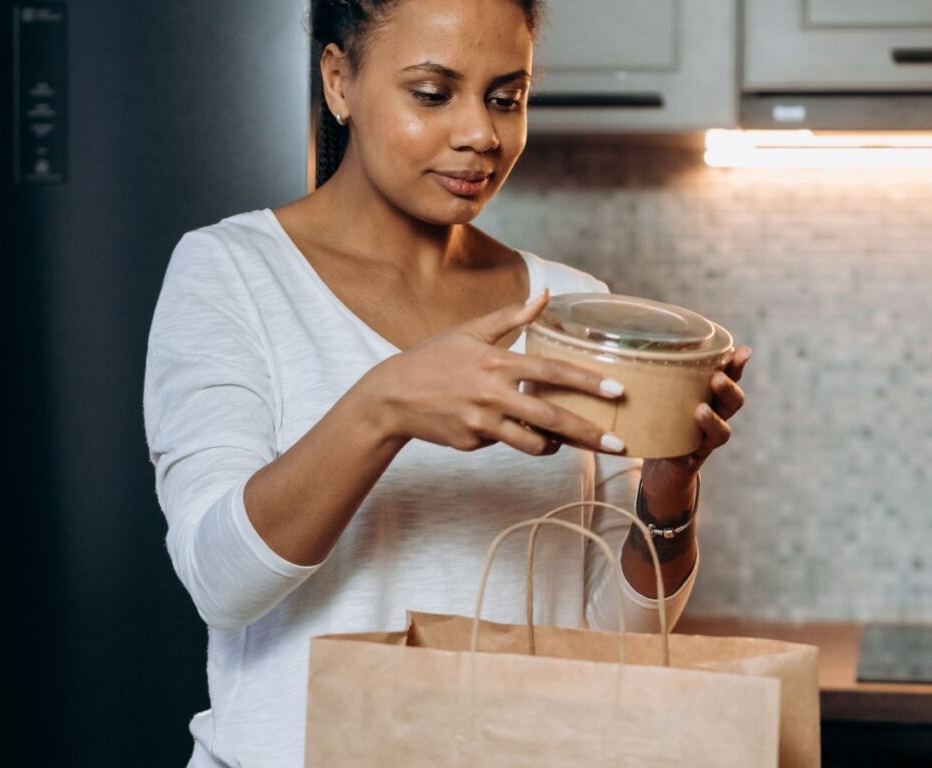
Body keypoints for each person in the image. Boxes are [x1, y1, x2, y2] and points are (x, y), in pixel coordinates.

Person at [143, 0, 750, 765]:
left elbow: (605, 640)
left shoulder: (569, 304)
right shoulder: (230, 273)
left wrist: (669, 488)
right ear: (339, 81)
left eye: (508, 97)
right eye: (433, 93)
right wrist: (385, 405)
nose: (482, 134)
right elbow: (219, 582)